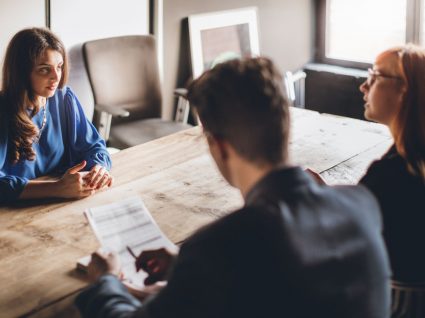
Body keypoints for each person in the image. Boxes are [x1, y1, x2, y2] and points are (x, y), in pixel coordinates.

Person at [76, 57, 391, 318]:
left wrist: (106, 281)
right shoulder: (361, 205)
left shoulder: (220, 247)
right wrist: (184, 269)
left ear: (219, 146)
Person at [0, 27, 113, 204]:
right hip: (13, 211)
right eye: (45, 70)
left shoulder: (63, 97)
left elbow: (94, 146)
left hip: (60, 203)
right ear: (22, 72)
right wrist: (56, 188)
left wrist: (99, 168)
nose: (56, 77)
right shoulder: (4, 111)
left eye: (59, 67)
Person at [358, 44, 425, 317]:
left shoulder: (389, 177)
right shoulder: (409, 158)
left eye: (375, 77)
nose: (364, 86)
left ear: (404, 90)